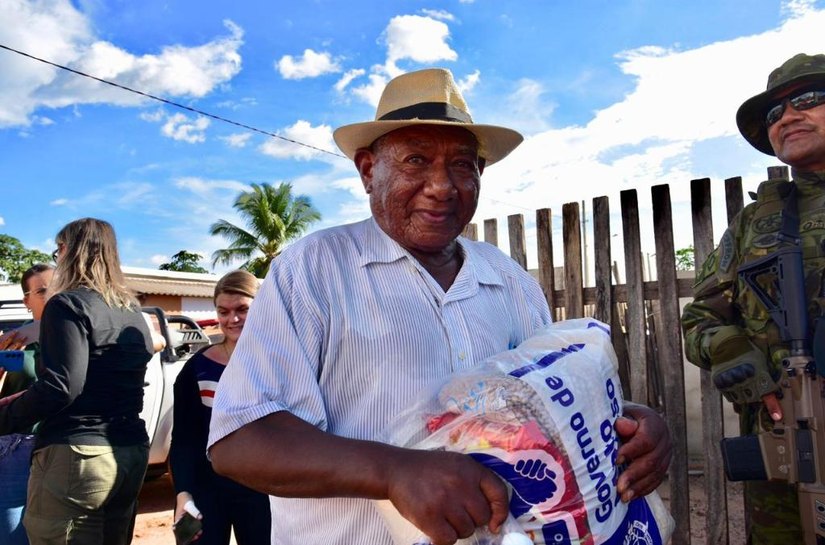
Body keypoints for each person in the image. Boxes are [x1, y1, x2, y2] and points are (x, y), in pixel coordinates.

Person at [207, 68, 672, 545]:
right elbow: (240, 439)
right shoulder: (313, 269)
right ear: (369, 170)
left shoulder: (508, 279)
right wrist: (394, 472)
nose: (442, 186)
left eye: (462, 164)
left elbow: (548, 403)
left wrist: (636, 424)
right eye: (415, 160)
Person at [682, 52, 825, 544]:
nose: (787, 117)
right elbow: (700, 316)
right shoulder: (754, 224)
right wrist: (733, 353)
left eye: (807, 99)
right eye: (774, 113)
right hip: (789, 442)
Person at [0, 218, 154, 545]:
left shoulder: (66, 304)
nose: (57, 260)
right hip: (129, 452)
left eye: (58, 251)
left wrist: (4, 418)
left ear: (70, 251)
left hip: (78, 457)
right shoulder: (131, 311)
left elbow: (62, 386)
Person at [169, 270, 271, 545]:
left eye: (242, 309)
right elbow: (184, 439)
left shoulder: (278, 362)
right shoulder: (198, 368)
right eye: (223, 311)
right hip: (209, 488)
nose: (232, 319)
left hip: (265, 489)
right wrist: (184, 494)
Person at [0, 264, 54, 545]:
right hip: (15, 450)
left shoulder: (74, 339)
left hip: (61, 447)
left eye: (59, 287)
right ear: (27, 300)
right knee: (13, 535)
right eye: (43, 290)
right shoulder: (13, 341)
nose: (53, 295)